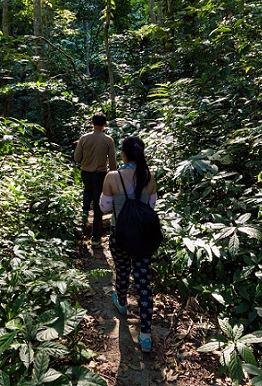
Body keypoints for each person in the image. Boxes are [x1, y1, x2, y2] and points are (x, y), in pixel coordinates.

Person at [100, 136, 158, 353]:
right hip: (143, 238)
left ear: (122, 154)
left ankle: (122, 303)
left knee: (122, 270)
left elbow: (105, 207)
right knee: (143, 282)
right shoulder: (150, 177)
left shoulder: (112, 177)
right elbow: (150, 207)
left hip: (120, 236)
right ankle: (145, 336)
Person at [73, 113, 117, 247]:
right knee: (98, 205)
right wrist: (113, 174)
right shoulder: (108, 140)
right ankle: (96, 238)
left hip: (86, 173)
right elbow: (113, 161)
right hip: (101, 175)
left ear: (92, 123)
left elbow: (76, 158)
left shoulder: (84, 138)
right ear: (105, 124)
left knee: (87, 190)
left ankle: (85, 210)